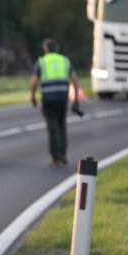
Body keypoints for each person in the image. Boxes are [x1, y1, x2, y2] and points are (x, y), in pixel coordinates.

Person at [30, 38, 80, 167]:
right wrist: (76, 98)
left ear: (45, 49)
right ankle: (63, 154)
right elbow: (74, 79)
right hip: (62, 99)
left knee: (53, 129)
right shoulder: (65, 60)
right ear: (57, 49)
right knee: (62, 125)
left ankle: (55, 158)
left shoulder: (42, 61)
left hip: (48, 99)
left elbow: (34, 81)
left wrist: (33, 96)